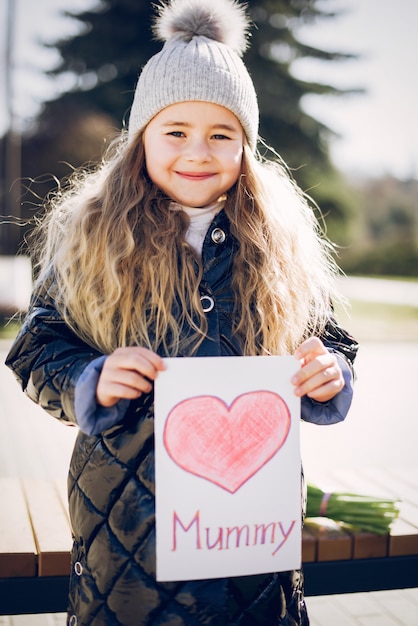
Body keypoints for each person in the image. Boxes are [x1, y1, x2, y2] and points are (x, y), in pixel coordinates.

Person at [6, 0, 358, 624]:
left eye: (221, 134)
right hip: (127, 533)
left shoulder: (279, 242)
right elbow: (37, 345)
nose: (198, 151)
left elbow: (327, 338)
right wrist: (90, 378)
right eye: (176, 131)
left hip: (251, 535)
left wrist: (329, 372)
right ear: (142, 136)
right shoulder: (92, 237)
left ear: (245, 146)